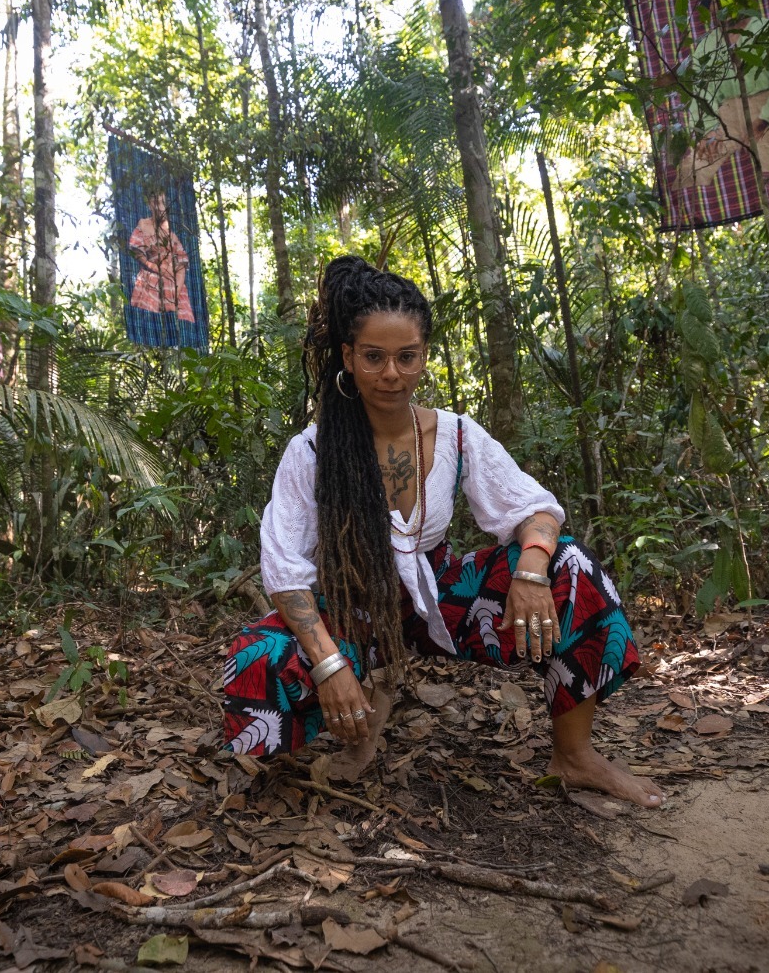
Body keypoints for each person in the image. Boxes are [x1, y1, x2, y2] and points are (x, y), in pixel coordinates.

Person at [221, 256, 665, 808]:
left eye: (407, 357)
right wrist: (331, 666)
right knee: (256, 658)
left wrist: (529, 569)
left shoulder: (455, 433)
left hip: (441, 597)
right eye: (374, 358)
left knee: (571, 569)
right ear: (347, 358)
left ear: (424, 355)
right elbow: (286, 572)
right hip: (355, 609)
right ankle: (334, 735)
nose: (391, 374)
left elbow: (536, 508)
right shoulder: (311, 450)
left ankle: (574, 757)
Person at [671, 12, 769, 190]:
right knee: (698, 165)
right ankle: (680, 201)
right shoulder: (708, 45)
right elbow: (702, 92)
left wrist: (765, 120)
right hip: (728, 110)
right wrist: (706, 129)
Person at [127, 190, 194, 323]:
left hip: (175, 285)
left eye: (163, 203)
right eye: (156, 202)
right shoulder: (143, 225)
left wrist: (174, 295)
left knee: (179, 328)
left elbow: (182, 264)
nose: (160, 207)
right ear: (150, 205)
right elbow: (138, 253)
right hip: (151, 281)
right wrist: (155, 267)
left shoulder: (171, 234)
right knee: (149, 324)